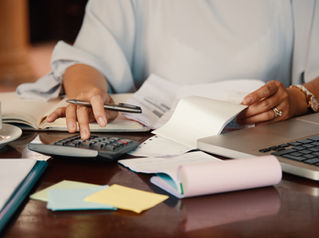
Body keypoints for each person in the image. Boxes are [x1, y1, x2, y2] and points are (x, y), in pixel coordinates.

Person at [17, 0, 319, 140]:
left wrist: (298, 98)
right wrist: (88, 92)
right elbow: (87, 59)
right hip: (159, 146)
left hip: (264, 147)